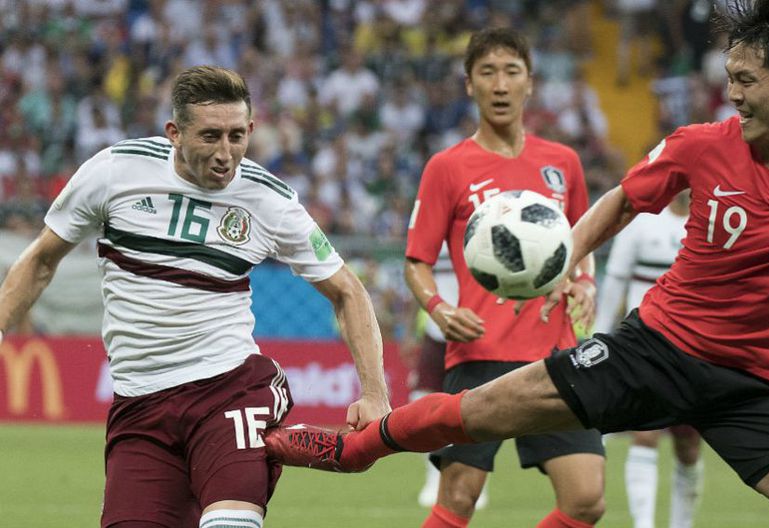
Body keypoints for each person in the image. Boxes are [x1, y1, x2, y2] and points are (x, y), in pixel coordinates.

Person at [266, 1, 769, 525]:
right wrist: (562, 261)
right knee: (477, 411)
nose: (731, 94)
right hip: (654, 351)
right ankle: (357, 448)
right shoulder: (703, 144)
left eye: (746, 80)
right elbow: (623, 200)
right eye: (729, 78)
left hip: (754, 383)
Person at [0, 65, 391, 528]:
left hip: (229, 390)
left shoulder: (269, 200)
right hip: (140, 405)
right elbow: (42, 260)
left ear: (251, 130)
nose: (226, 153)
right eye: (210, 136)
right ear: (174, 133)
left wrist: (375, 393)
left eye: (236, 136)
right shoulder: (114, 172)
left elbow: (347, 290)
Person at [303, 27, 609, 528]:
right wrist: (439, 308)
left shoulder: (563, 163)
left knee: (587, 499)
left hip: (555, 352)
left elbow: (583, 241)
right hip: (480, 351)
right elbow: (416, 261)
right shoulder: (448, 167)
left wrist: (586, 283)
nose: (500, 84)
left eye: (511, 71)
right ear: (469, 84)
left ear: (530, 82)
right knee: (459, 498)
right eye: (487, 72)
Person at [593, 191, 703, 528]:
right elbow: (616, 278)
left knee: (688, 445)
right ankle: (644, 524)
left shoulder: (710, 222)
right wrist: (600, 332)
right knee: (645, 433)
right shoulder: (641, 223)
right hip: (644, 344)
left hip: (695, 346)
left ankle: (681, 524)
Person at [408, 243, 490, 511]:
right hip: (436, 330)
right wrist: (410, 331)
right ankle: (434, 476)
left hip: (474, 329)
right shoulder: (431, 234)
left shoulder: (482, 230)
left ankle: (475, 476)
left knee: (473, 408)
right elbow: (416, 279)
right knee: (422, 402)